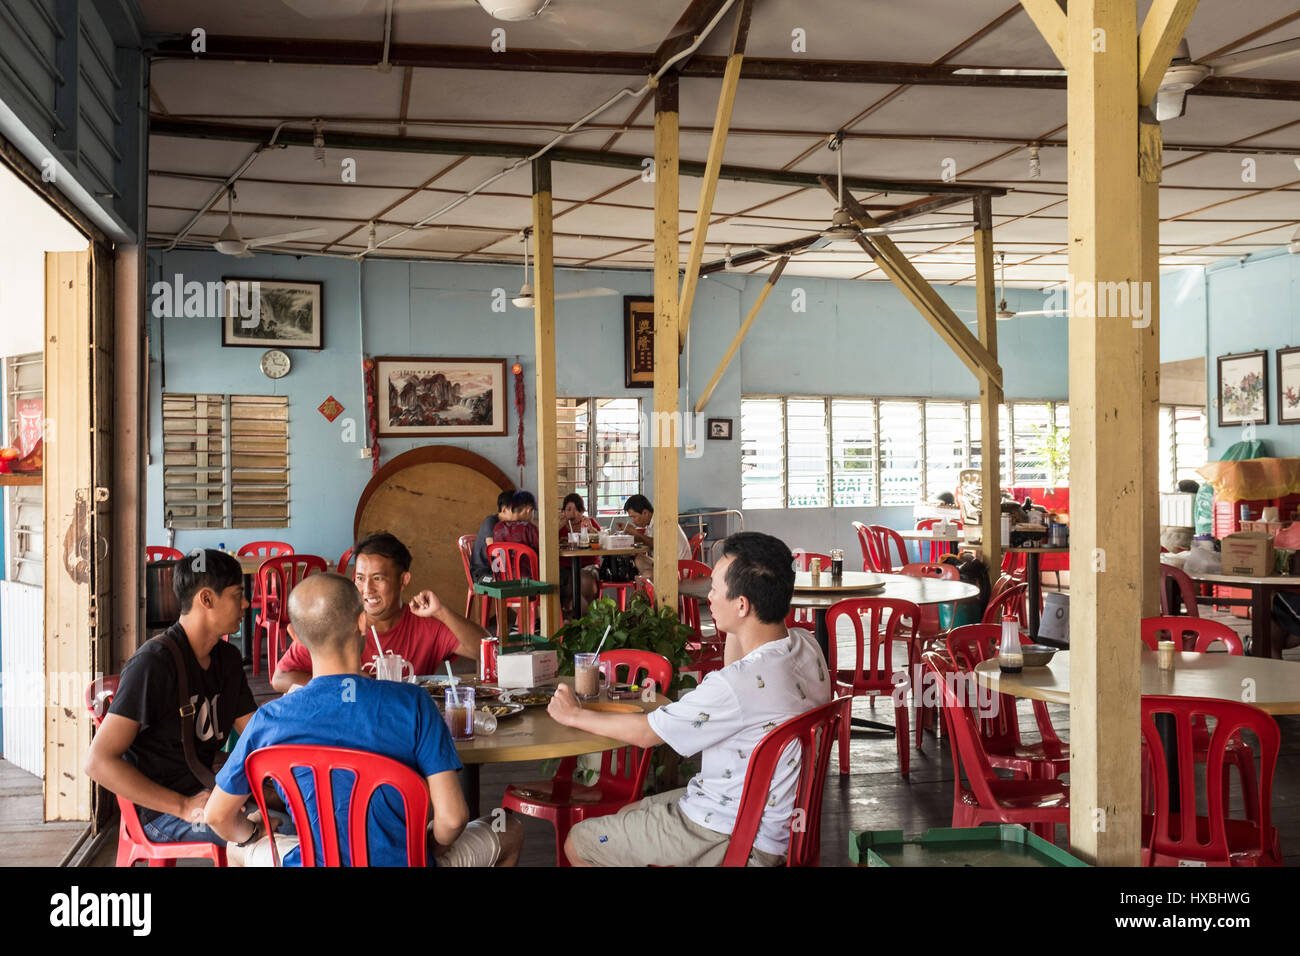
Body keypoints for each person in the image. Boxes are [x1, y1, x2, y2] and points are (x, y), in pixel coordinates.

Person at [550, 532, 831, 866]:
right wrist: (735, 628)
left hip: (734, 833)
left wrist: (573, 715)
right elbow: (740, 676)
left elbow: (647, 734)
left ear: (742, 604)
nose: (708, 596)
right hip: (774, 822)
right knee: (630, 810)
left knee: (581, 842)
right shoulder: (806, 646)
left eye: (714, 588)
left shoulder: (732, 686)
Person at [205, 573, 524, 867]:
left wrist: (248, 833)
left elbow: (217, 816)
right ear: (362, 622)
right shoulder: (413, 704)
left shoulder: (269, 719)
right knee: (508, 827)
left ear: (295, 637)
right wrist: (428, 846)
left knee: (236, 848)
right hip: (408, 860)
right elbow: (453, 818)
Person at [85, 549, 257, 850]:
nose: (245, 603)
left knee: (303, 813)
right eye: (237, 594)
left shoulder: (228, 659)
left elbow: (255, 732)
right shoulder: (153, 663)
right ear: (206, 599)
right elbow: (98, 762)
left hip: (209, 791)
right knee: (276, 834)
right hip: (161, 811)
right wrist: (183, 805)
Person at [272, 532, 484, 693]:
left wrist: (442, 612)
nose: (367, 589)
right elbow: (280, 678)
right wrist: (345, 683)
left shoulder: (425, 623)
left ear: (404, 580)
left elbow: (486, 652)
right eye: (361, 578)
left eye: (378, 578)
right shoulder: (336, 622)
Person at [623, 493, 691, 577]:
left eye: (634, 517)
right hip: (666, 564)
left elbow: (655, 544)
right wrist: (628, 536)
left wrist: (635, 533)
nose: (633, 521)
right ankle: (651, 584)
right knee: (639, 560)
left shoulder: (662, 521)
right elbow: (648, 542)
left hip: (678, 569)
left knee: (646, 575)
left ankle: (649, 585)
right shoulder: (651, 523)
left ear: (645, 513)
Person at [471, 490, 515, 583]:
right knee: (505, 582)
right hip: (483, 573)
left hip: (498, 571)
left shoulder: (510, 526)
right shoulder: (490, 521)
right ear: (504, 510)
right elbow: (494, 550)